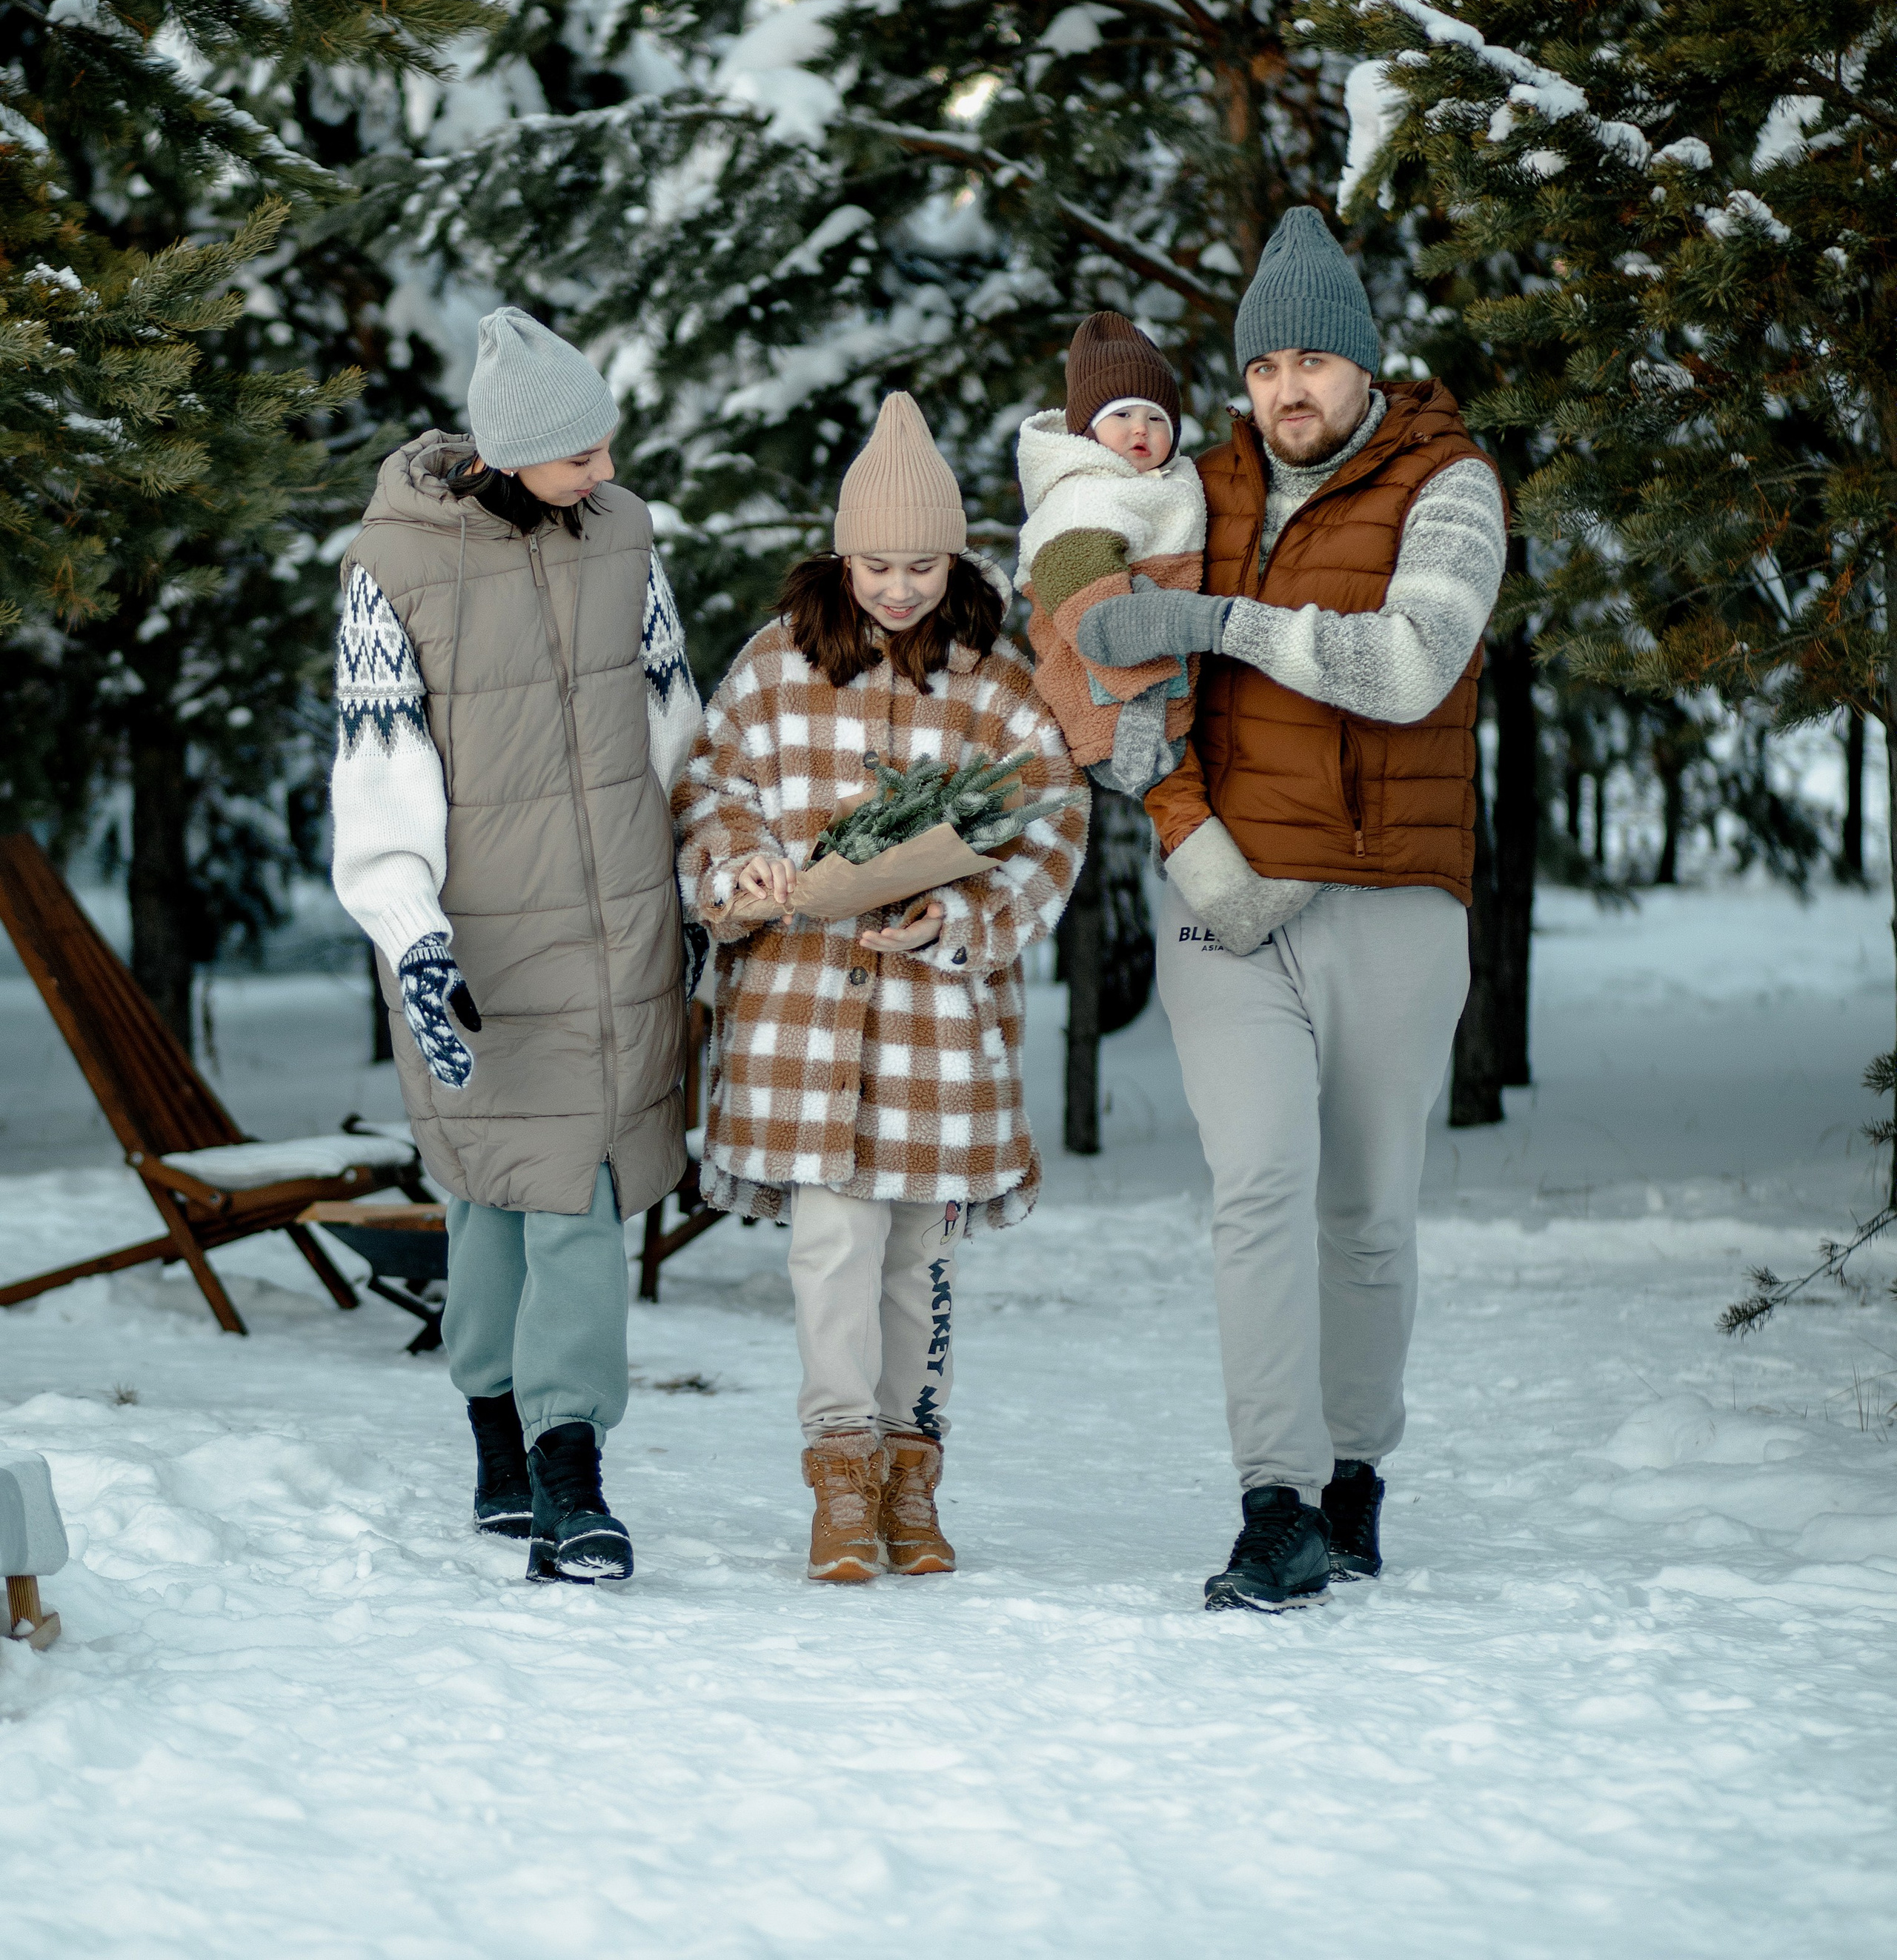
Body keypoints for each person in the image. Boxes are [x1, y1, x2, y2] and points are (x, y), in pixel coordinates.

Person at [1077, 208, 1506, 1611]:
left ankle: (1352, 1472)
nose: (1287, 394)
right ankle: (1274, 1503)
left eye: (1314, 363)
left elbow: (1412, 665)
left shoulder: (1451, 480)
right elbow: (1118, 683)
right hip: (1234, 908)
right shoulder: (1199, 494)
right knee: (1258, 1186)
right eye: (1266, 370)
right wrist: (1175, 813)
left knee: (1367, 1210)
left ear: (1364, 366)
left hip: (1394, 893)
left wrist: (1216, 627)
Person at [673, 393, 1089, 1584]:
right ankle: (839, 1477)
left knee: (919, 1263)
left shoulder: (996, 683)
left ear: (953, 558)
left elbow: (1052, 818)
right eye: (874, 563)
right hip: (803, 1021)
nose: (897, 588)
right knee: (830, 1250)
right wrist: (741, 866)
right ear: (838, 554)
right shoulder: (775, 664)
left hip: (936, 1033)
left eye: (919, 565)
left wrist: (959, 914)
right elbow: (711, 789)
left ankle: (915, 1471)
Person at [328, 308, 700, 1585]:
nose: (603, 468)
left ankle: (539, 1455)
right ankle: (529, 1447)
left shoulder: (626, 537)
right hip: (480, 940)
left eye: (605, 445)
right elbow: (381, 759)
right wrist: (411, 935)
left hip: (624, 929)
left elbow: (673, 720)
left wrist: (702, 883)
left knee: (557, 1192)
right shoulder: (392, 565)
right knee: (506, 1197)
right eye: (579, 453)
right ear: (507, 451)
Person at [1014, 310, 1206, 794]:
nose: (1140, 429)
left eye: (1156, 418)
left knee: (1186, 800)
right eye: (1122, 415)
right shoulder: (1082, 497)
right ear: (1088, 431)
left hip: (1165, 693)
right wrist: (1140, 693)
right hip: (1115, 705)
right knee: (1178, 798)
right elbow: (1089, 609)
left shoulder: (1160, 485)